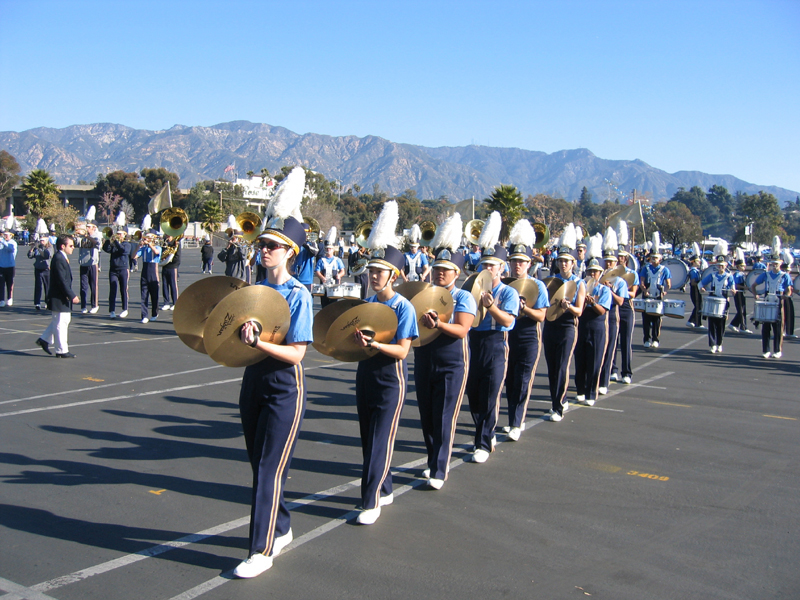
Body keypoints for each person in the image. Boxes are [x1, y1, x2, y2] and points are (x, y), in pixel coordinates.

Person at [232, 217, 313, 579]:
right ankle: (280, 527)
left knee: (268, 468)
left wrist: (258, 342)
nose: (264, 250)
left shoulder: (300, 295)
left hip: (284, 387)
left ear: (289, 252)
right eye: (262, 244)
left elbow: (297, 353)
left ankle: (260, 551)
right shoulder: (253, 292)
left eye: (272, 246)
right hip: (253, 382)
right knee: (259, 464)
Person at [353, 237, 418, 525]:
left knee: (381, 439)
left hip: (391, 377)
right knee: (368, 437)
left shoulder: (404, 307)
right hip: (365, 373)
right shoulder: (366, 303)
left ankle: (371, 501)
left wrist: (376, 345)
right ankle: (386, 487)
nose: (374, 276)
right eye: (371, 271)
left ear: (393, 275)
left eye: (380, 271)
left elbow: (403, 350)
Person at [413, 216, 476, 489]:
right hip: (424, 358)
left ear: (457, 273)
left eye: (447, 269)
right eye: (437, 267)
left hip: (451, 362)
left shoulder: (464, 297)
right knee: (427, 415)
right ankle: (431, 462)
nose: (440, 272)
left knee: (443, 416)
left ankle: (440, 470)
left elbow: (462, 330)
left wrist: (438, 324)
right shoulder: (423, 294)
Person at [464, 226, 520, 462]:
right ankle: (485, 432)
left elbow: (508, 321)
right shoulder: (473, 289)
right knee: (473, 394)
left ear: (501, 268)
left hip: (496, 343)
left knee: (489, 394)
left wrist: (492, 306)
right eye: (484, 264)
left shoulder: (508, 292)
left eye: (492, 265)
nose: (487, 269)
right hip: (474, 341)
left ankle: (483, 443)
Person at [502, 226, 548, 441]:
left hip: (528, 337)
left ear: (530, 264)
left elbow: (540, 316)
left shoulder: (538, 285)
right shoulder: (503, 284)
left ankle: (516, 422)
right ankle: (511, 418)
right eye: (514, 261)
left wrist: (524, 309)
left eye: (522, 261)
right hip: (506, 337)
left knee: (522, 380)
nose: (517, 264)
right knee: (508, 381)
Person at [543, 242, 586, 422]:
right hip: (550, 325)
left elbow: (579, 311)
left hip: (568, 326)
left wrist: (568, 307)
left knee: (562, 366)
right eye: (561, 260)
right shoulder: (551, 281)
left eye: (567, 261)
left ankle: (557, 406)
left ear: (573, 263)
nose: (563, 264)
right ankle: (560, 398)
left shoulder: (579, 283)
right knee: (552, 367)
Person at [574, 259, 612, 405]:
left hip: (597, 327)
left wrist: (593, 303)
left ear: (600, 274)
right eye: (590, 271)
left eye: (595, 272)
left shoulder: (604, 290)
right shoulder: (580, 288)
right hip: (582, 325)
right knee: (580, 359)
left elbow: (602, 310)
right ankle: (580, 390)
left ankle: (591, 393)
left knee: (594, 361)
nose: (592, 274)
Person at [35, 234, 79, 358]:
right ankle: (61, 350)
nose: (73, 248)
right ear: (62, 246)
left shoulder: (62, 257)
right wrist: (71, 295)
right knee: (61, 323)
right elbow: (61, 280)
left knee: (62, 320)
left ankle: (44, 339)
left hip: (61, 296)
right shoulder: (59, 258)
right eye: (70, 246)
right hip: (59, 296)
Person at [751, 255, 793, 358]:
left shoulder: (784, 275)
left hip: (778, 300)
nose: (775, 265)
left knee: (778, 327)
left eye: (777, 263)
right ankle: (766, 350)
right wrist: (755, 294)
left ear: (780, 263)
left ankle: (777, 350)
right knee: (766, 327)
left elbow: (788, 289)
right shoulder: (766, 274)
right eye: (773, 263)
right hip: (767, 299)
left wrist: (786, 296)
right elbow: (753, 285)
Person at [598, 250, 627, 394]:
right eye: (606, 261)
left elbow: (621, 301)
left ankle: (604, 381)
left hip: (612, 317)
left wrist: (609, 290)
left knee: (609, 349)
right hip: (598, 316)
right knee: (598, 350)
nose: (608, 264)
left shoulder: (620, 281)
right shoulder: (598, 278)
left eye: (611, 261)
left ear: (616, 264)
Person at [700, 255, 734, 353]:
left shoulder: (729, 276)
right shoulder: (712, 275)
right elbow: (701, 283)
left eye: (722, 265)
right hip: (713, 300)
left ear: (726, 265)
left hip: (723, 301)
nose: (720, 267)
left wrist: (733, 291)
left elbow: (732, 286)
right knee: (712, 323)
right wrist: (702, 288)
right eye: (719, 265)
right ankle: (712, 344)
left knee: (721, 324)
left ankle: (719, 343)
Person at [639, 251, 671, 349]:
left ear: (660, 259)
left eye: (656, 258)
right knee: (646, 319)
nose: (654, 260)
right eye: (652, 258)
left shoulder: (664, 270)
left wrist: (664, 292)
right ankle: (646, 339)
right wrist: (644, 290)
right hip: (647, 295)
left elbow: (668, 285)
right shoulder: (646, 268)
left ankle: (655, 339)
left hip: (658, 295)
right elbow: (642, 282)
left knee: (656, 319)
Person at [103, 231, 131, 319]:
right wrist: (107, 240)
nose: (118, 235)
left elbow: (123, 251)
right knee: (112, 289)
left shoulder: (127, 244)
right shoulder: (114, 244)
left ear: (125, 235)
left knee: (123, 289)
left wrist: (116, 242)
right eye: (117, 233)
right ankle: (112, 310)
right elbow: (106, 249)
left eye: (120, 234)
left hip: (123, 269)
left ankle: (125, 309)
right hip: (113, 269)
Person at [77, 222, 103, 314]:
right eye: (86, 226)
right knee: (83, 287)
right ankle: (83, 306)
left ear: (94, 228)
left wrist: (86, 236)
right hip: (83, 263)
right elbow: (76, 243)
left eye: (89, 227)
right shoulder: (82, 237)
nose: (87, 228)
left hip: (92, 264)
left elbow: (97, 244)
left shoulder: (97, 236)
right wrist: (76, 235)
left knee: (93, 286)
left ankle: (94, 305)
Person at [136, 233, 161, 323]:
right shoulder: (144, 248)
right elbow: (134, 256)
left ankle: (154, 313)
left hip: (153, 271)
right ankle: (144, 315)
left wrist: (149, 244)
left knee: (154, 296)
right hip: (145, 271)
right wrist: (138, 247)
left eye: (149, 237)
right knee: (144, 295)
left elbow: (156, 252)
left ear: (153, 239)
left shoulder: (158, 247)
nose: (147, 238)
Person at [315, 240, 345, 309]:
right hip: (324, 286)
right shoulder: (321, 260)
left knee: (334, 306)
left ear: (333, 250)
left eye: (330, 248)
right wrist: (322, 277)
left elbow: (343, 271)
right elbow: (317, 271)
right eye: (327, 248)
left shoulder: (337, 260)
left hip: (334, 287)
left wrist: (339, 275)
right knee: (324, 306)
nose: (328, 250)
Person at [27, 238, 51, 309]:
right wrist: (32, 248)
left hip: (46, 269)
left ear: (47, 241)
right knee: (38, 286)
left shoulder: (50, 247)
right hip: (38, 268)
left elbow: (46, 255)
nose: (41, 242)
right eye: (40, 240)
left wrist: (38, 248)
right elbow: (30, 256)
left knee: (47, 286)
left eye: (43, 240)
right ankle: (37, 303)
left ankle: (47, 302)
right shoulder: (37, 247)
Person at [729, 259, 751, 333]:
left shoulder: (741, 273)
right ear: (738, 266)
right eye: (742, 265)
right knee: (741, 311)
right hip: (738, 293)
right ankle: (743, 328)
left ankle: (733, 324)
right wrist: (745, 288)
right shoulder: (737, 274)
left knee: (742, 310)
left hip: (741, 293)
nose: (744, 267)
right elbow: (736, 285)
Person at [160, 235, 181, 310]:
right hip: (165, 266)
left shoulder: (176, 244)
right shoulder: (165, 244)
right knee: (165, 285)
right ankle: (166, 303)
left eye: (169, 236)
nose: (167, 237)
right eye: (166, 235)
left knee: (173, 285)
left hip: (172, 266)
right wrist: (163, 258)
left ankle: (175, 303)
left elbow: (177, 257)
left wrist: (173, 263)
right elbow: (162, 254)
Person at [686, 256, 705, 329]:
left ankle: (693, 321)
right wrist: (700, 283)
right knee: (698, 306)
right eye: (697, 261)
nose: (699, 262)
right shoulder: (693, 271)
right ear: (693, 262)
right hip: (695, 290)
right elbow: (693, 282)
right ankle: (696, 323)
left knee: (699, 306)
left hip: (697, 290)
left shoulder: (696, 271)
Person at [0, 230, 18, 307]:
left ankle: (9, 298)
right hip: (1, 266)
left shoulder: (13, 243)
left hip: (10, 266)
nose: (6, 236)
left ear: (11, 236)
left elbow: (11, 249)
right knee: (1, 284)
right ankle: (1, 300)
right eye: (5, 235)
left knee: (9, 283)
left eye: (7, 235)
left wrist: (3, 241)